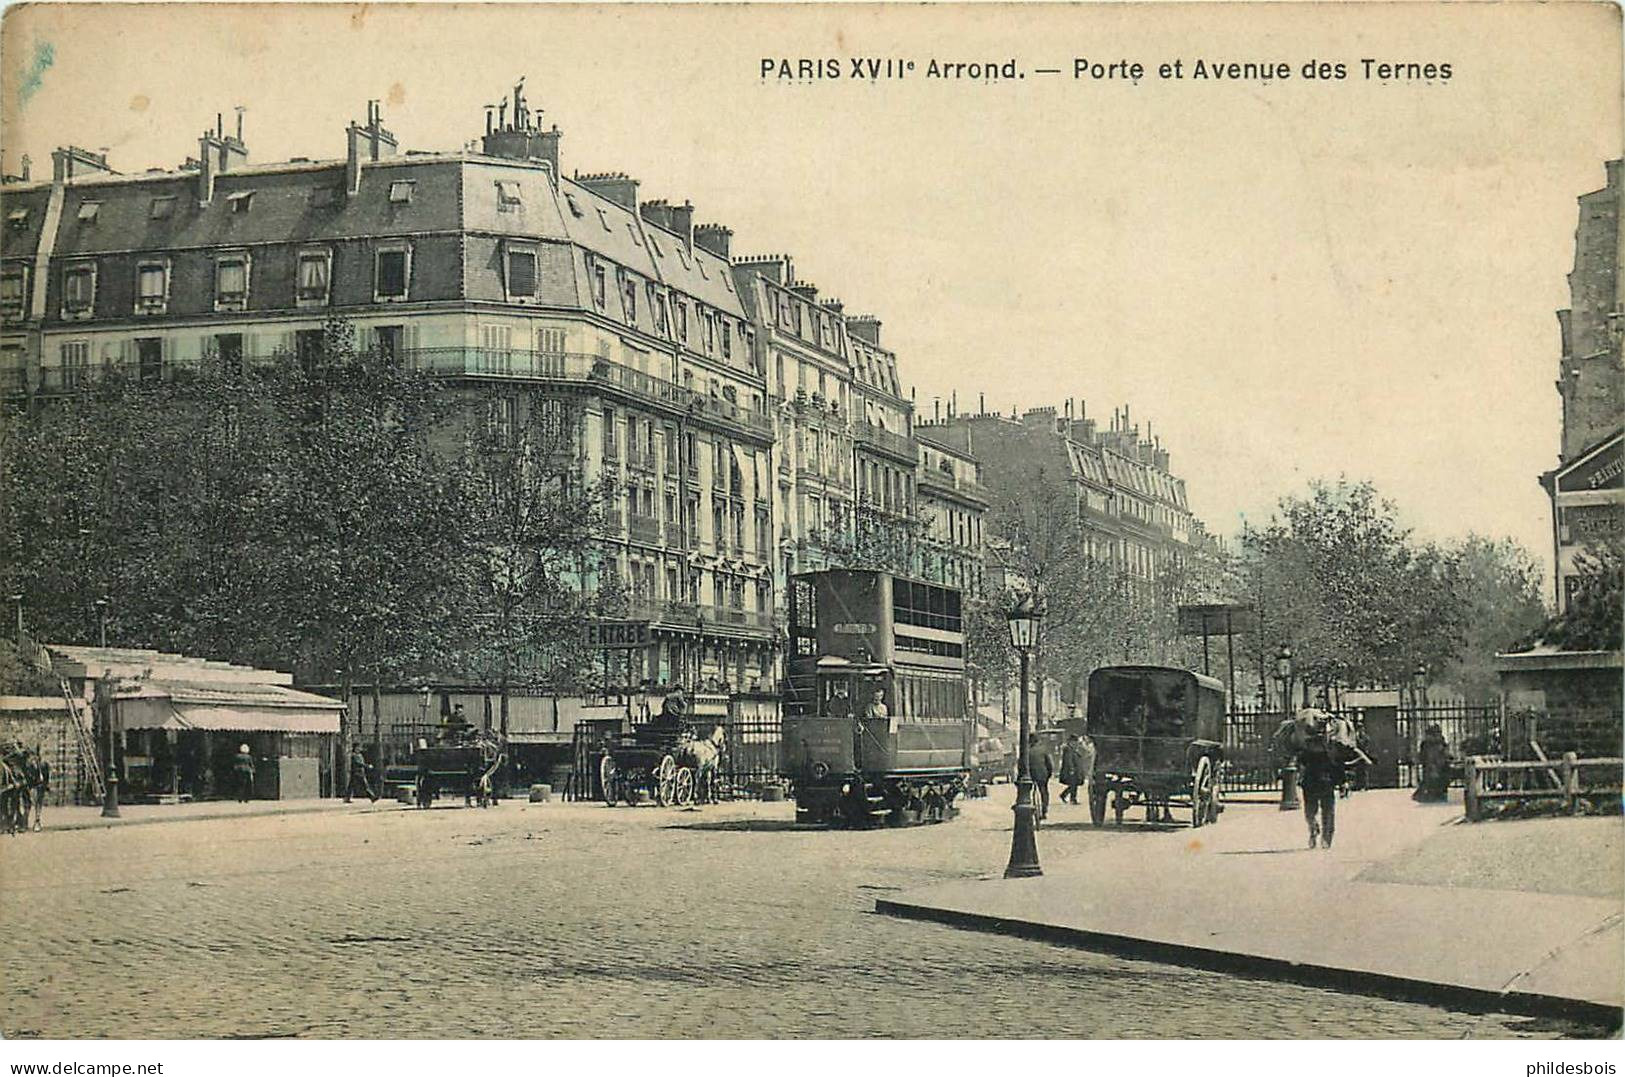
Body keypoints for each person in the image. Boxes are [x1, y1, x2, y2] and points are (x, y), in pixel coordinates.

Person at [1293, 709, 1344, 850]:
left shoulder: (1306, 747)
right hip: (1325, 782)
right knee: (1328, 811)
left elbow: (1300, 762)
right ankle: (1325, 838)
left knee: (1311, 811)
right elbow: (1338, 765)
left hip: (1311, 782)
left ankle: (1314, 828)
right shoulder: (1330, 747)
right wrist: (1342, 783)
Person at [1413, 724, 1450, 803]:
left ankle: (1432, 795)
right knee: (1433, 780)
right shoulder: (1436, 743)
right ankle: (1435, 795)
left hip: (1435, 764)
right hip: (1435, 764)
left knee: (1432, 781)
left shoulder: (1431, 743)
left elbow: (1424, 755)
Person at [1027, 733, 1054, 821]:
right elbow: (1049, 763)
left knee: (1030, 792)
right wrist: (1049, 773)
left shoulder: (1027, 751)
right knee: (1044, 792)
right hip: (1042, 775)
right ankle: (1044, 811)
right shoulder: (1043, 750)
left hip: (1030, 775)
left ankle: (1031, 809)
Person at [1059, 733, 1085, 805]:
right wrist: (1071, 769)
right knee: (1073, 785)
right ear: (1071, 742)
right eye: (1075, 741)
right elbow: (1069, 760)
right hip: (1072, 770)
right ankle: (1073, 799)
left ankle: (1064, 795)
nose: (1076, 743)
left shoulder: (1072, 749)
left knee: (1074, 785)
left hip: (1075, 770)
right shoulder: (1068, 749)